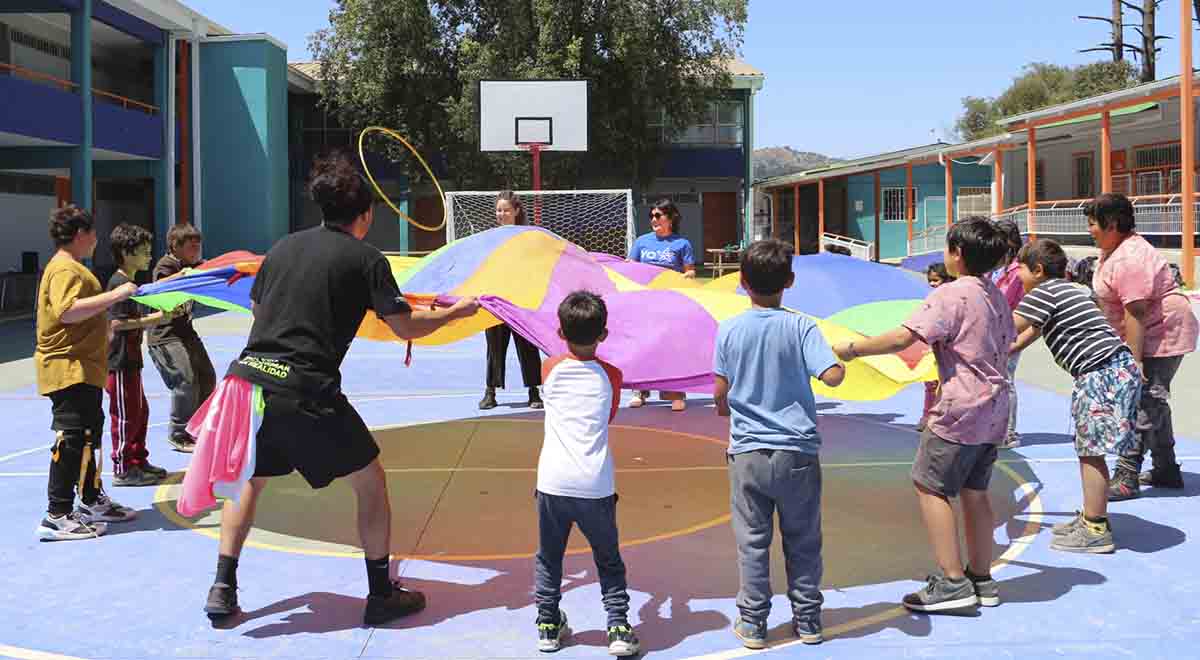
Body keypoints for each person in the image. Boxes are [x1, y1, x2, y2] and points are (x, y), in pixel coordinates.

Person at [202, 151, 479, 625]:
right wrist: (455, 312)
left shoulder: (283, 248)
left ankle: (222, 587)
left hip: (248, 383)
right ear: (366, 215)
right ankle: (380, 594)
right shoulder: (367, 260)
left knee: (251, 480)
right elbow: (406, 326)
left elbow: (259, 310)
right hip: (306, 389)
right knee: (370, 480)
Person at [833, 217, 1014, 613]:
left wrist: (853, 349)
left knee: (931, 486)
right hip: (995, 407)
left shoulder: (951, 295)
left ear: (959, 254)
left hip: (960, 407)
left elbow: (904, 337)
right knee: (975, 491)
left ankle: (952, 582)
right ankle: (981, 577)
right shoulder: (995, 294)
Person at [714, 239, 846, 648]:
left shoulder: (730, 328)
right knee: (803, 538)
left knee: (752, 542)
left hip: (748, 451)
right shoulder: (803, 327)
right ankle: (808, 619)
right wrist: (839, 360)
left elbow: (721, 387)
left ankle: (753, 622)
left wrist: (725, 407)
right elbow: (832, 376)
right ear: (789, 281)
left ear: (741, 282)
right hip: (797, 451)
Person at [1010, 239, 1138, 554]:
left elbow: (1008, 326)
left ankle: (1095, 529)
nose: (1017, 278)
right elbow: (1024, 336)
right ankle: (1092, 519)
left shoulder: (1044, 293)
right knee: (1090, 450)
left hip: (1100, 372)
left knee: (1090, 453)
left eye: (1020, 271)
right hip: (1115, 369)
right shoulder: (1066, 291)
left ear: (1038, 271)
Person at [533, 291, 639, 657]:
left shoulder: (549, 368)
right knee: (608, 559)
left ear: (560, 333)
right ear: (603, 334)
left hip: (552, 482)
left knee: (550, 557)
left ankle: (548, 624)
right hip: (595, 484)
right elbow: (607, 416)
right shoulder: (612, 375)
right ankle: (619, 627)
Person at [35, 205, 140, 541]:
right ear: (80, 235)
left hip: (85, 367)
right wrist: (116, 295)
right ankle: (57, 513)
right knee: (71, 437)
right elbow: (67, 311)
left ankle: (91, 498)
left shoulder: (73, 267)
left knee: (88, 436)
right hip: (68, 367)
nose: (96, 239)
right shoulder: (65, 268)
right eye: (93, 233)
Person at [1085, 193, 1198, 499]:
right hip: (1145, 332)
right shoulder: (1113, 250)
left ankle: (1126, 474)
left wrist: (1134, 362)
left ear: (1111, 224)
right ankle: (1166, 470)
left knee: (1145, 399)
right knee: (1154, 400)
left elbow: (1136, 312)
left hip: (1161, 332)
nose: (1090, 230)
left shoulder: (1130, 257)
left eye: (1093, 223)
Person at [106, 223, 185, 487]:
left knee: (140, 412)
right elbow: (116, 323)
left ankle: (138, 460)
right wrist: (154, 319)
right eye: (144, 251)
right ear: (127, 253)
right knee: (126, 415)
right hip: (117, 362)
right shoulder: (118, 284)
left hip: (131, 360)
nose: (149, 256)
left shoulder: (131, 283)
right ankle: (123, 468)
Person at [148, 223, 216, 453]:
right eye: (191, 247)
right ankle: (179, 432)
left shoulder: (192, 266)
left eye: (198, 246)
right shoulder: (167, 266)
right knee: (185, 380)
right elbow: (163, 287)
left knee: (207, 377)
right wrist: (193, 273)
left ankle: (197, 427)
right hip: (165, 335)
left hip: (186, 332)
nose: (196, 251)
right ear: (175, 246)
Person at [628, 198, 695, 411]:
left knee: (671, 346)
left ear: (671, 217)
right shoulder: (641, 242)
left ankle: (675, 392)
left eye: (658, 215)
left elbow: (690, 270)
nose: (654, 220)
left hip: (670, 303)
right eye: (652, 216)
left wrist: (688, 277)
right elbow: (631, 267)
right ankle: (640, 390)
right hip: (645, 303)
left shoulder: (682, 243)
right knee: (643, 345)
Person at [479, 191, 543, 410]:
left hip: (521, 301)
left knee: (528, 347)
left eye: (506, 210)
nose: (502, 214)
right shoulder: (489, 238)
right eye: (498, 210)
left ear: (516, 211)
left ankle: (534, 390)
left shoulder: (528, 237)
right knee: (494, 348)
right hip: (496, 301)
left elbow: (538, 266)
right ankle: (490, 392)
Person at [993, 219, 1026, 449]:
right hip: (993, 331)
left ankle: (1009, 432)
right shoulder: (998, 268)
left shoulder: (1017, 271)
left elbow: (1011, 303)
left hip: (1010, 333)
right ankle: (996, 427)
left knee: (1006, 380)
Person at [918, 263, 956, 431]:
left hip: (947, 347)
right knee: (930, 383)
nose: (933, 284)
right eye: (930, 281)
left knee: (946, 384)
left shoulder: (952, 297)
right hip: (932, 345)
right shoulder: (931, 297)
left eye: (936, 280)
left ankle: (943, 418)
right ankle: (927, 416)